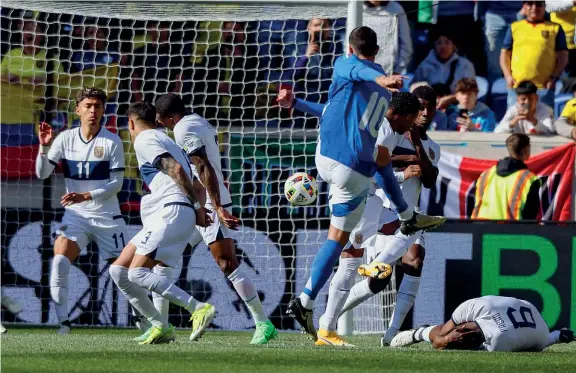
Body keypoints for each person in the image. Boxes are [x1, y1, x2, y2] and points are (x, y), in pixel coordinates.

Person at [284, 26, 446, 343]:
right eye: (415, 112)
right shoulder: (377, 95)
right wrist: (382, 80)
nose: (418, 118)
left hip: (347, 174)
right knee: (350, 254)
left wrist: (296, 103)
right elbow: (380, 162)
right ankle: (327, 324)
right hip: (357, 183)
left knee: (360, 257)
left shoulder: (358, 82)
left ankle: (319, 313)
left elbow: (382, 162)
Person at [154, 93, 278, 345]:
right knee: (164, 258)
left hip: (209, 203)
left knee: (227, 262)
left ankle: (263, 323)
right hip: (196, 202)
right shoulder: (198, 121)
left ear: (167, 117)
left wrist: (218, 206)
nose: (160, 125)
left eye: (160, 120)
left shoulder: (182, 129)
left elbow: (202, 165)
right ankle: (160, 325)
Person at [109, 101, 211, 345]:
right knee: (119, 270)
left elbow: (175, 169)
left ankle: (198, 307)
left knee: (136, 273)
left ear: (131, 123)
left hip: (172, 211)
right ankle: (160, 326)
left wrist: (196, 209)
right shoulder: (167, 140)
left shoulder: (145, 139)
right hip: (174, 212)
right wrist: (197, 208)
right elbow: (197, 181)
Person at [35, 87, 126, 334]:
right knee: (60, 262)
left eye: (97, 106)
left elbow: (116, 184)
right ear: (77, 110)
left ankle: (143, 318)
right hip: (76, 216)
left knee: (124, 274)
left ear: (103, 110)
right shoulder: (65, 139)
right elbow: (42, 173)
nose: (93, 111)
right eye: (88, 106)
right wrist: (44, 147)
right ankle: (63, 322)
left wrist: (85, 195)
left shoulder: (112, 141)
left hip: (107, 216)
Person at [390, 295, 575, 351]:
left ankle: (419, 333)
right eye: (461, 330)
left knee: (540, 341)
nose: (460, 329)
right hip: (527, 309)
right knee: (443, 335)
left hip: (534, 321)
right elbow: (443, 333)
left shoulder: (497, 344)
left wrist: (442, 341)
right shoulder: (472, 307)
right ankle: (418, 333)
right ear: (462, 325)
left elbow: (440, 340)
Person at [500, 1, 569, 108]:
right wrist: (508, 76)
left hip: (544, 88)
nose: (534, 7)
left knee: (545, 124)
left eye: (538, 4)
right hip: (517, 87)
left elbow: (563, 56)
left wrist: (554, 77)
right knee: (516, 122)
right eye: (530, 3)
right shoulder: (514, 27)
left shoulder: (555, 28)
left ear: (544, 6)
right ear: (524, 6)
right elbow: (505, 54)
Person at [471, 133, 541, 220]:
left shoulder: (486, 174)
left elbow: (474, 203)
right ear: (526, 150)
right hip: (511, 232)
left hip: (481, 230)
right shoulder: (528, 179)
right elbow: (530, 214)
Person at [412, 28, 476, 94]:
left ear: (453, 46)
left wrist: (450, 99)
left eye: (447, 42)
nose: (443, 46)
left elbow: (471, 91)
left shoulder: (465, 65)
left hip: (458, 103)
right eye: (439, 43)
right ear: (434, 46)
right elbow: (413, 89)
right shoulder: (424, 66)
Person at [363, 1, 413, 74]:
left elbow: (406, 44)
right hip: (362, 72)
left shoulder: (396, 8)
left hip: (388, 73)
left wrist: (398, 70)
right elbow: (348, 43)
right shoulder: (355, 7)